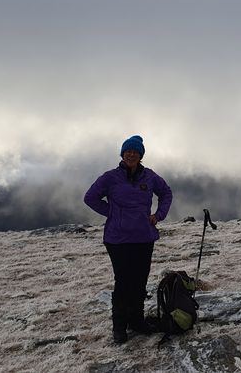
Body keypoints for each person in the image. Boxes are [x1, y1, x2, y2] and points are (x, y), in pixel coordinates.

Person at [84, 135, 173, 344]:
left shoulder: (149, 177)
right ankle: (119, 326)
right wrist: (112, 213)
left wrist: (158, 215)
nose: (131, 154)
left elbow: (166, 193)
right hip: (118, 239)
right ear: (122, 154)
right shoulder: (110, 177)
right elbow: (90, 198)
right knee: (123, 282)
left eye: (135, 151)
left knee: (140, 280)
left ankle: (137, 321)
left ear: (140, 155)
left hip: (143, 237)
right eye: (127, 151)